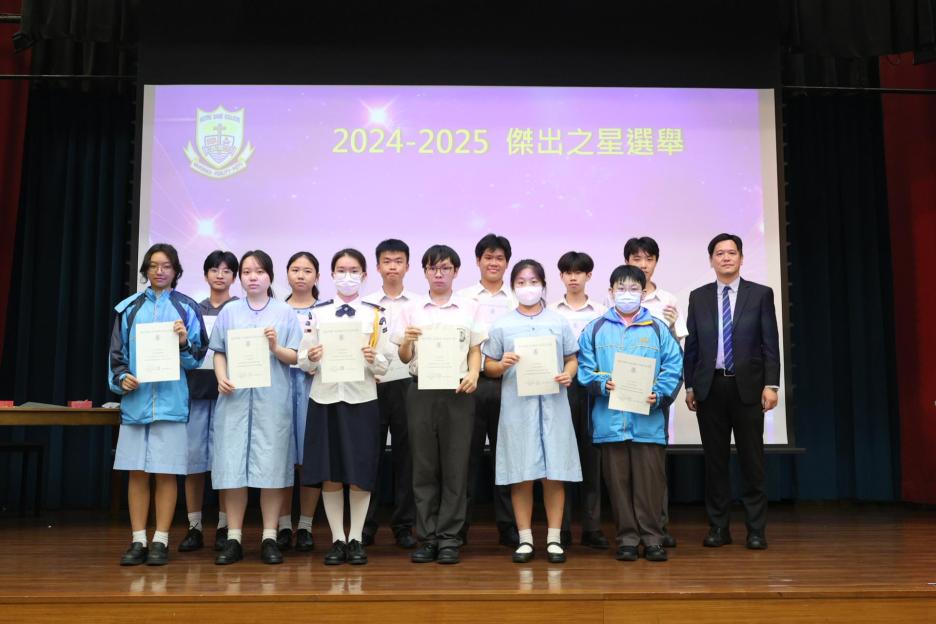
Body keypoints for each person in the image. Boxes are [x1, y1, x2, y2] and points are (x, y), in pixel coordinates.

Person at [577, 265, 683, 562]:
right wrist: (603, 383)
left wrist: (659, 394)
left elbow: (673, 367)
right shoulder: (594, 329)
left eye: (633, 289)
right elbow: (584, 370)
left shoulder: (658, 329)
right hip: (610, 423)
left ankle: (652, 539)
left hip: (648, 422)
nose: (627, 294)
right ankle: (626, 539)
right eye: (621, 289)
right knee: (618, 485)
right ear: (610, 292)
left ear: (643, 293)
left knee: (650, 485)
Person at [109, 243, 207, 566]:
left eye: (166, 266)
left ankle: (161, 540)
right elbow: (116, 358)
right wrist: (122, 378)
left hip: (171, 404)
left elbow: (196, 359)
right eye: (153, 265)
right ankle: (138, 539)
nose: (160, 271)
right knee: (137, 473)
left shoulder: (187, 308)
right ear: (145, 270)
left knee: (166, 473)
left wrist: (183, 342)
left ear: (176, 271)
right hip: (136, 405)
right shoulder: (129, 308)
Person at [684, 233, 780, 551]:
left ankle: (756, 530)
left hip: (748, 387)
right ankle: (718, 528)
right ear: (711, 260)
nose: (726, 257)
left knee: (752, 462)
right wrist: (690, 385)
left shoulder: (760, 294)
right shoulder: (698, 297)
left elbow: (770, 343)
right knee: (715, 463)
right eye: (719, 253)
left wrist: (771, 385)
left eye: (732, 252)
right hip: (710, 387)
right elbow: (692, 347)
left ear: (741, 258)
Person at [298, 248, 393, 566]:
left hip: (361, 399)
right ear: (331, 275)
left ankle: (356, 539)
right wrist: (310, 358)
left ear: (364, 275)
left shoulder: (375, 314)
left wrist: (374, 359)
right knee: (330, 471)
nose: (347, 276)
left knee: (359, 471)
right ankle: (338, 538)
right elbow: (303, 358)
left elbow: (385, 363)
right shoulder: (317, 313)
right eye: (341, 270)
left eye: (354, 271)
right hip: (324, 398)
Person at [483, 259, 581, 564]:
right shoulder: (502, 324)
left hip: (554, 406)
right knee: (521, 474)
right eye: (521, 282)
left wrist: (568, 374)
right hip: (518, 409)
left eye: (534, 282)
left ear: (543, 285)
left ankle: (554, 539)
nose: (528, 287)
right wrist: (501, 364)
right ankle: (525, 539)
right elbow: (488, 366)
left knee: (554, 474)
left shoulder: (558, 322)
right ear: (513, 287)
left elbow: (572, 359)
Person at [393, 244, 484, 565]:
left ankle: (449, 538)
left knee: (456, 467)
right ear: (425, 272)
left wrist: (474, 373)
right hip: (421, 390)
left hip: (458, 392)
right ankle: (428, 537)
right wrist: (408, 340)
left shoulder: (470, 307)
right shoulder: (412, 309)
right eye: (433, 268)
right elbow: (404, 357)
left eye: (445, 268)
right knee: (424, 466)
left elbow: (475, 349)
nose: (439, 274)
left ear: (456, 271)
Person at [210, 250, 302, 565]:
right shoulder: (230, 311)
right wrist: (221, 377)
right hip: (233, 401)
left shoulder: (284, 312)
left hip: (272, 402)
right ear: (240, 277)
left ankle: (269, 537)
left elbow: (295, 356)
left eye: (259, 271)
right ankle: (234, 538)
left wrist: (275, 347)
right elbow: (219, 351)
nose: (253, 277)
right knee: (233, 468)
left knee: (271, 469)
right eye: (247, 271)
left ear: (270, 277)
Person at [624, 236, 688, 548]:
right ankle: (632, 530)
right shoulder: (617, 297)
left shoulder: (668, 300)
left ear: (656, 262)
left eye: (648, 259)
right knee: (625, 464)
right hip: (622, 391)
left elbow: (678, 350)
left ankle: (658, 528)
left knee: (653, 463)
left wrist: (673, 327)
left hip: (655, 391)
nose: (643, 265)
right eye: (636, 259)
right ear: (627, 262)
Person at [455, 233, 518, 547]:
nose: (494, 263)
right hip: (471, 383)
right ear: (478, 261)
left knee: (506, 457)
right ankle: (459, 527)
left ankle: (509, 526)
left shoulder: (518, 298)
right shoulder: (462, 298)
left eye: (500, 258)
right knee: (465, 458)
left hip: (510, 385)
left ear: (507, 263)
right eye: (488, 257)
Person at [548, 251, 609, 550]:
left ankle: (592, 527)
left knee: (591, 458)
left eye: (579, 272)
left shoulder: (602, 312)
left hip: (593, 389)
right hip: (559, 388)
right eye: (568, 272)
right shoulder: (549, 312)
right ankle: (561, 528)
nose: (573, 277)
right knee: (560, 456)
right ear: (561, 276)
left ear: (589, 276)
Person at [361, 239, 420, 549]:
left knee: (406, 456)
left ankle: (404, 525)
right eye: (387, 261)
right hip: (372, 383)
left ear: (407, 266)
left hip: (408, 384)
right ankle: (365, 525)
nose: (393, 266)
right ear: (378, 266)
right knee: (369, 454)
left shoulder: (420, 304)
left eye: (398, 261)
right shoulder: (365, 304)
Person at [179, 250, 238, 554]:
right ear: (205, 275)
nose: (220, 275)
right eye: (214, 270)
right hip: (195, 392)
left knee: (225, 462)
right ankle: (194, 526)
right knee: (193, 463)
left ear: (234, 277)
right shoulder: (191, 309)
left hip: (229, 394)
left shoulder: (240, 309)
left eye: (226, 271)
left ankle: (225, 527)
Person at [278, 251, 323, 553]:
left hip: (313, 388)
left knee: (309, 459)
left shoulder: (325, 311)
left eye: (307, 270)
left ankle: (305, 525)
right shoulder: (276, 310)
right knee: (280, 457)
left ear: (317, 276)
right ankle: (283, 525)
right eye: (295, 269)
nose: (301, 275)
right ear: (287, 274)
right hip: (280, 387)